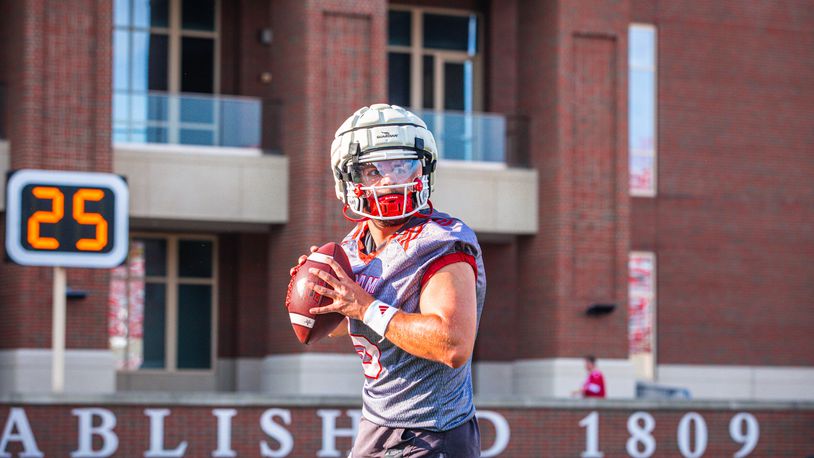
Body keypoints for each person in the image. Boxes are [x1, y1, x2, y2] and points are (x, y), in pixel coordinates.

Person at [290, 104, 486, 457]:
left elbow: (453, 345)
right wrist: (324, 297)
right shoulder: (354, 243)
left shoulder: (440, 241)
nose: (390, 180)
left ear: (423, 170)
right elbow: (348, 325)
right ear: (349, 180)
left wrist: (363, 306)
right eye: (372, 170)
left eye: (402, 165)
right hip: (377, 423)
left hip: (430, 432)